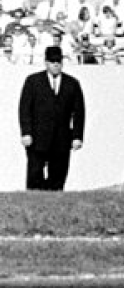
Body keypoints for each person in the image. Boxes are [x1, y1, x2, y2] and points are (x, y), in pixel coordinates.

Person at [18, 43, 86, 191]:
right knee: (35, 175)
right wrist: (26, 132)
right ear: (46, 62)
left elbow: (79, 112)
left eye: (58, 62)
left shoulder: (72, 84)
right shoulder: (33, 81)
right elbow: (25, 109)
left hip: (61, 138)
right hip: (37, 138)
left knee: (58, 177)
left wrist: (77, 136)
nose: (56, 65)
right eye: (52, 62)